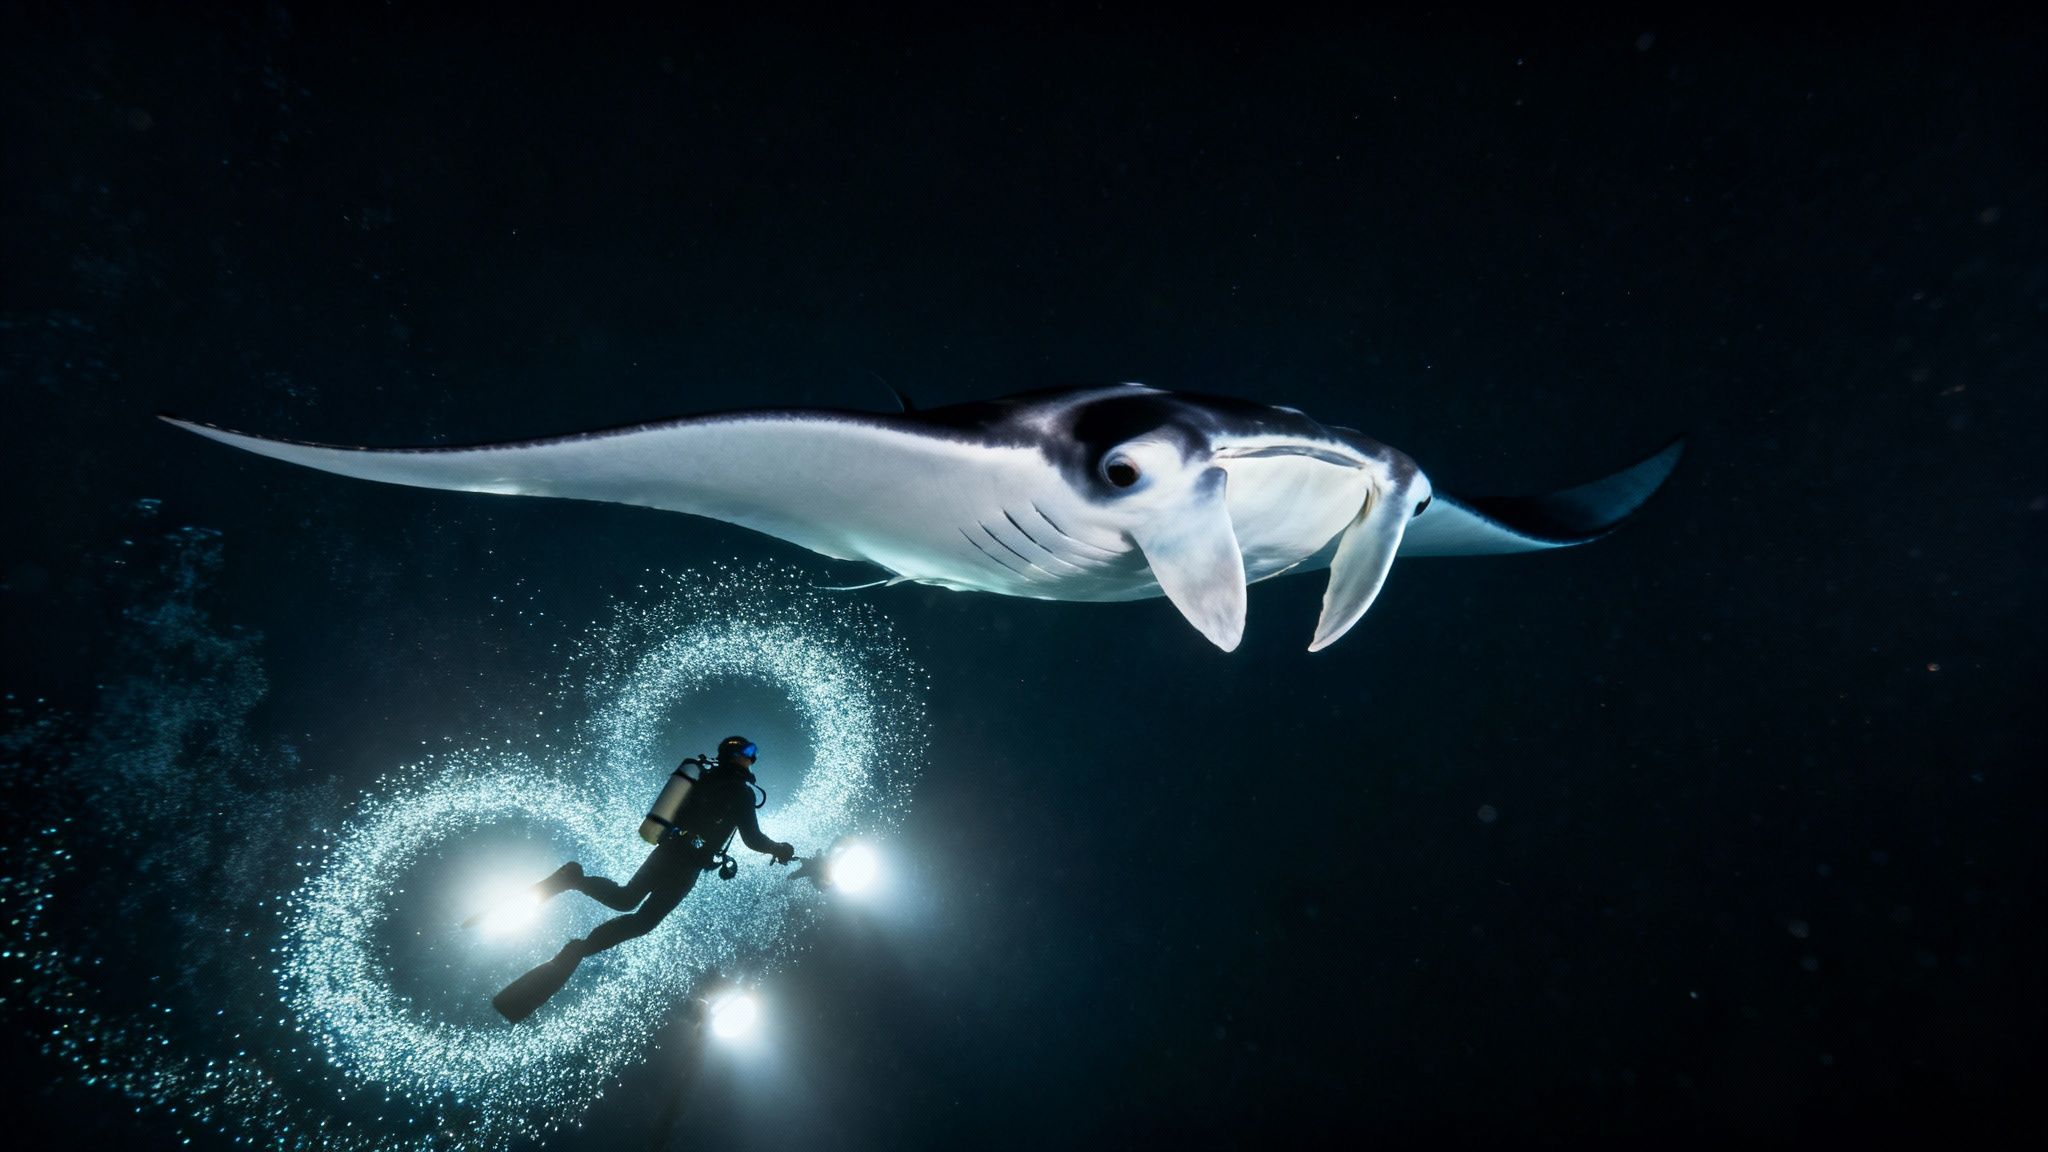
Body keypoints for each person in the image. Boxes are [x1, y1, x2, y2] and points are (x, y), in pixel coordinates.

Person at [492, 735, 795, 1022]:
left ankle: (575, 882)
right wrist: (779, 849)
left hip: (668, 851)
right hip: (687, 865)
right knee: (643, 921)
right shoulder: (741, 792)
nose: (753, 760)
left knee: (626, 899)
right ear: (737, 755)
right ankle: (581, 946)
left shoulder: (703, 778)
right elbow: (752, 839)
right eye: (750, 753)